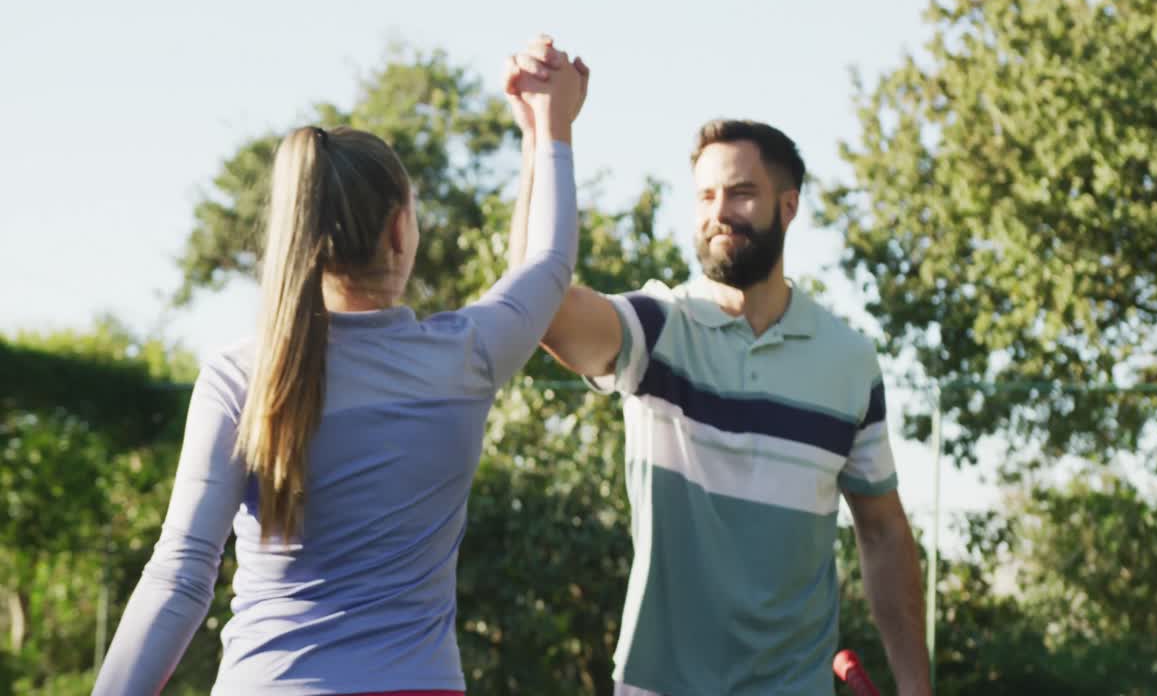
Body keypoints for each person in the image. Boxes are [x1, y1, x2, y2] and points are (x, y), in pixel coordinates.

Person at [93, 42, 587, 696]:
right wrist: (547, 130)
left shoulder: (242, 376)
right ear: (400, 230)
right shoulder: (463, 359)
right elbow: (545, 266)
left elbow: (181, 577)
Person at [507, 41, 931, 696]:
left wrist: (915, 686)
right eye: (705, 195)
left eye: (740, 194)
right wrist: (544, 136)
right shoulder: (658, 329)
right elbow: (537, 307)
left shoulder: (850, 359)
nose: (717, 214)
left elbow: (883, 532)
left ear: (788, 207)